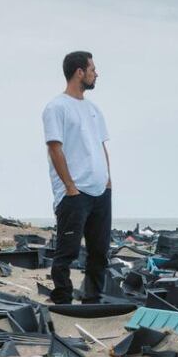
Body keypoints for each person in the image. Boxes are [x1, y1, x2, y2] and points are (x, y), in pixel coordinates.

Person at [42, 51, 112, 304]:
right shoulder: (56, 107)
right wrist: (69, 186)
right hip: (75, 192)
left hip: (100, 191)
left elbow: (101, 146)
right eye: (92, 69)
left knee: (100, 251)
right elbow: (54, 147)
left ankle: (92, 297)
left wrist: (108, 180)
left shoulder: (94, 109)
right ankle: (61, 296)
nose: (96, 74)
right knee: (67, 250)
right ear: (79, 72)